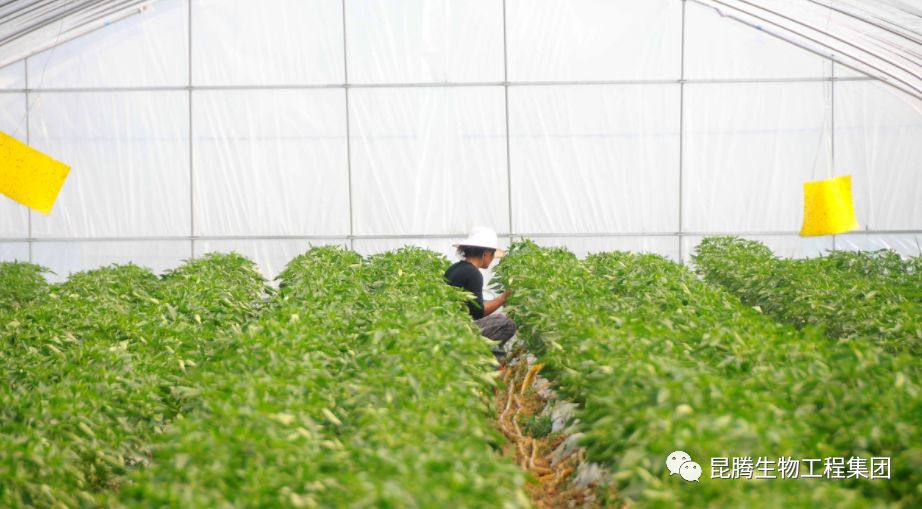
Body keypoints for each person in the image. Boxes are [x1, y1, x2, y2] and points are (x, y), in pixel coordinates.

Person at [444, 227, 517, 348]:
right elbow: (478, 312)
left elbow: (472, 306)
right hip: (458, 330)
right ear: (486, 253)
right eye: (492, 255)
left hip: (447, 326)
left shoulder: (454, 268)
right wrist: (504, 297)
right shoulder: (473, 273)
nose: (492, 259)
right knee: (507, 324)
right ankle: (477, 354)